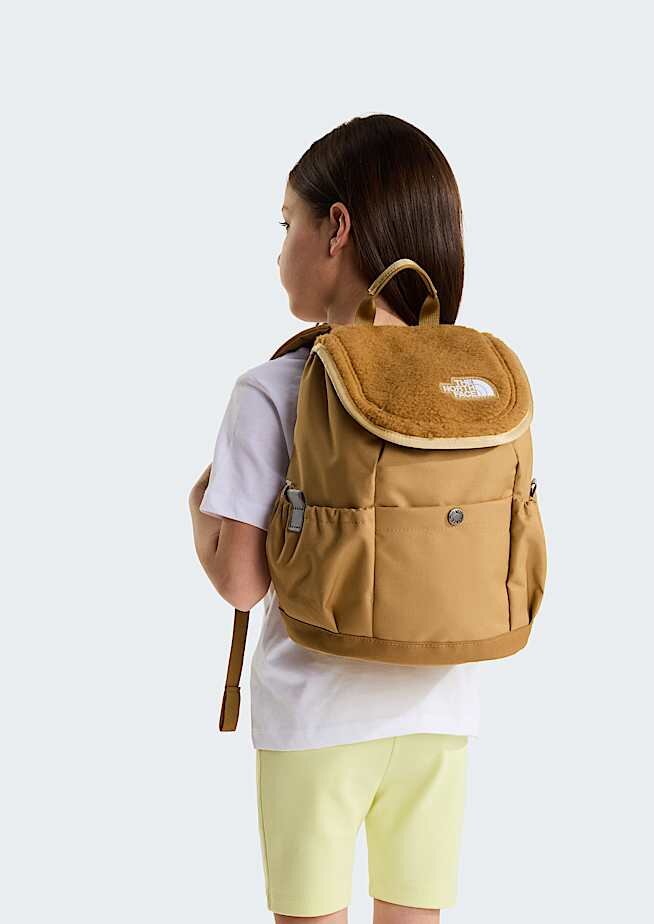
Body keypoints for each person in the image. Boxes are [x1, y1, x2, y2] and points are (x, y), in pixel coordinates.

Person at [189, 114, 477, 923]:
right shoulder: (466, 385)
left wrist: (195, 503)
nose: (281, 246)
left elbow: (242, 582)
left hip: (315, 717)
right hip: (440, 714)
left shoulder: (275, 388)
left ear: (336, 230)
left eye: (288, 223)